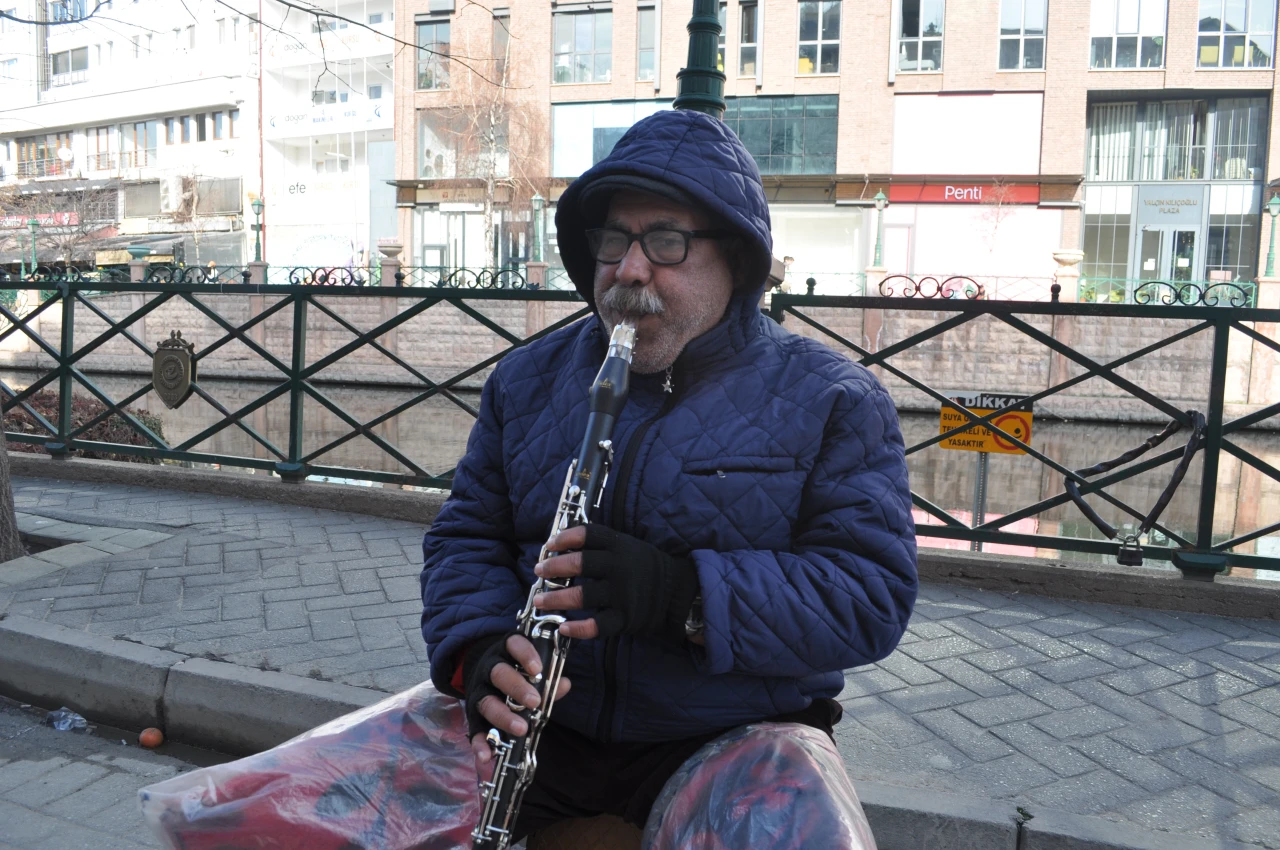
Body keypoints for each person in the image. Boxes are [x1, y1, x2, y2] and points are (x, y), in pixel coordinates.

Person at [421, 108, 917, 844]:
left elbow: (870, 597)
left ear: (738, 261)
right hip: (550, 738)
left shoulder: (834, 399)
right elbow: (466, 536)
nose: (629, 268)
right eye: (614, 240)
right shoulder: (526, 380)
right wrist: (481, 650)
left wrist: (683, 595)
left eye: (665, 240)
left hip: (735, 736)